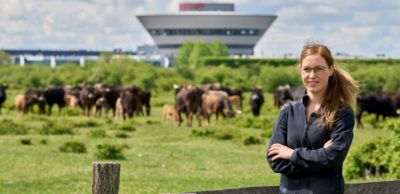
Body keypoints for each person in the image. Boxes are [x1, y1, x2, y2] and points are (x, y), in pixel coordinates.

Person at [266, 43, 359, 194]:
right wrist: (321, 155)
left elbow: (333, 158)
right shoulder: (288, 111)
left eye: (319, 69)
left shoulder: (342, 113)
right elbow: (275, 162)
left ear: (330, 70)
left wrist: (292, 154)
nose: (312, 75)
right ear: (300, 70)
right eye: (307, 69)